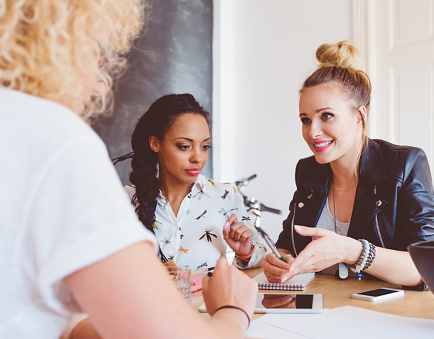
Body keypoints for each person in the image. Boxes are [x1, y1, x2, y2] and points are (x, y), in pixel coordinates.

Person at [0, 1, 257, 339]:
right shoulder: (57, 140)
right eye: (95, 53)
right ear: (56, 46)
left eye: (205, 146)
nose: (97, 86)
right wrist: (233, 311)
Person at [261, 40, 434, 287]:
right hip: (323, 308)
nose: (312, 132)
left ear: (359, 116)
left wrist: (352, 251)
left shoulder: (405, 164)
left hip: (385, 315)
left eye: (326, 116)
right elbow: (288, 243)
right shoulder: (308, 170)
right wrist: (278, 259)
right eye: (305, 120)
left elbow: (429, 269)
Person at [115, 93, 265, 271]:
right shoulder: (125, 201)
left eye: (204, 147)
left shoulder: (225, 195)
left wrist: (245, 252)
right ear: (155, 143)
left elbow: (261, 256)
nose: (198, 158)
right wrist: (151, 275)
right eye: (185, 147)